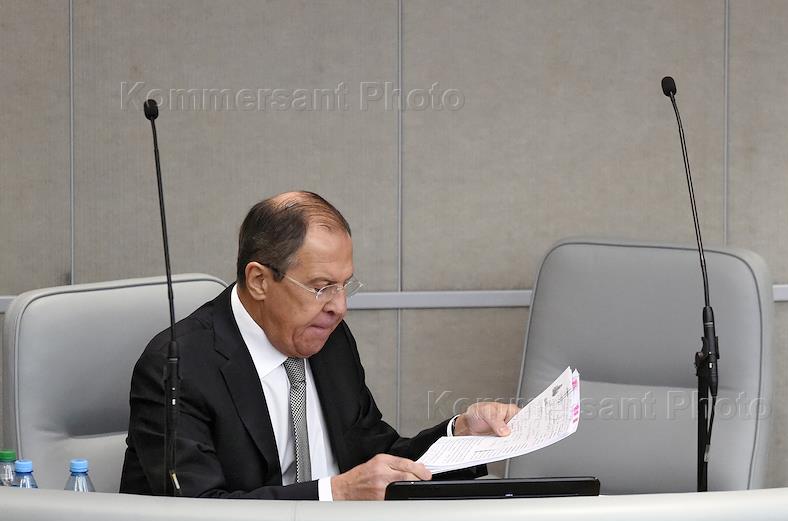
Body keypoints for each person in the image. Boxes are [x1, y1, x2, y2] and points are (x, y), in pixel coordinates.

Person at [120, 190, 517, 500]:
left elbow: (374, 456)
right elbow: (198, 511)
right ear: (259, 281)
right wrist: (336, 493)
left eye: (345, 285)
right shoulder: (178, 366)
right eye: (321, 287)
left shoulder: (329, 339)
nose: (339, 307)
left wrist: (460, 436)